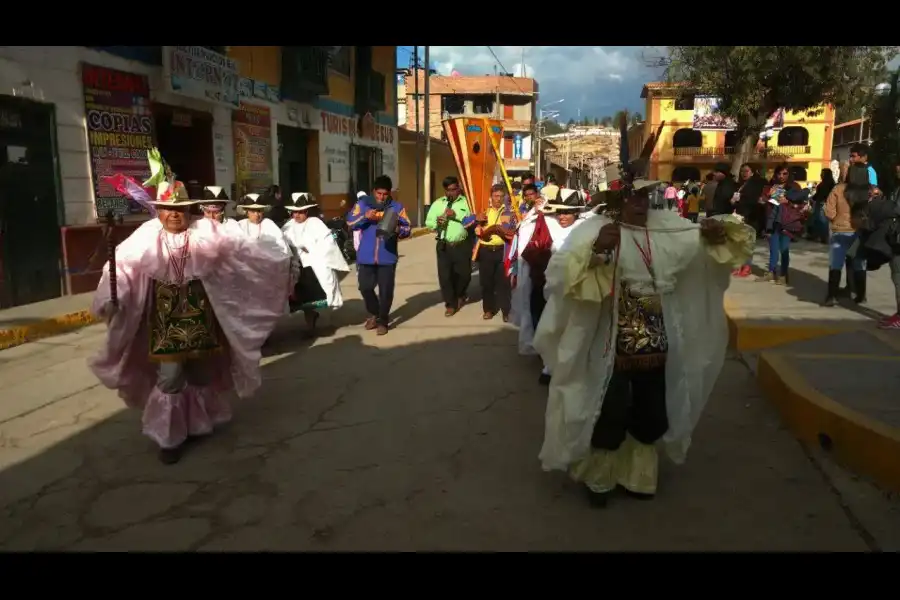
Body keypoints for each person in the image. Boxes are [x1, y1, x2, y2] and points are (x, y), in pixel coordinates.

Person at [533, 174, 755, 507]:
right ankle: (600, 478)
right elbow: (563, 275)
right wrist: (597, 252)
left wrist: (716, 233)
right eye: (632, 198)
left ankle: (638, 476)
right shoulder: (595, 229)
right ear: (616, 201)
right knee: (608, 407)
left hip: (655, 335)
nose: (640, 204)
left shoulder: (667, 225)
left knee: (652, 407)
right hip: (609, 336)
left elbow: (705, 247)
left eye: (644, 197)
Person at [88, 151, 292, 464]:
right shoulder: (144, 237)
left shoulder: (207, 232)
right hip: (164, 323)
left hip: (202, 318)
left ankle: (197, 424)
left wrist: (276, 261)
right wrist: (111, 297)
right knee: (170, 378)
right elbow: (122, 269)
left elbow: (244, 252)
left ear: (189, 211)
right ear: (159, 211)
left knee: (199, 374)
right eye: (168, 209)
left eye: (180, 209)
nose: (174, 215)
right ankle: (169, 438)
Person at [511, 188, 588, 385]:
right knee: (547, 326)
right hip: (544, 286)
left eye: (568, 212)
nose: (563, 216)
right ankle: (548, 364)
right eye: (560, 212)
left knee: (569, 328)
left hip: (573, 289)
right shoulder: (544, 224)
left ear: (576, 213)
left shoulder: (586, 229)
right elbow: (526, 241)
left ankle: (563, 367)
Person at [347, 175, 411, 335]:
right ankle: (375, 313)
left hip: (387, 257)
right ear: (373, 191)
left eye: (385, 194)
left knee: (386, 291)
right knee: (365, 287)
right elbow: (350, 222)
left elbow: (407, 229)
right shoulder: (362, 204)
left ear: (390, 193)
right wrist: (365, 216)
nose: (381, 197)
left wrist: (397, 229)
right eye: (379, 193)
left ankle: (383, 320)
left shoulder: (397, 207)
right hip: (366, 256)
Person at [282, 193, 350, 336]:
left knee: (312, 297)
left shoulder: (315, 223)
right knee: (301, 298)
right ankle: (310, 319)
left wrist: (309, 247)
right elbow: (282, 244)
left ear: (306, 211)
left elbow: (327, 243)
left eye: (300, 212)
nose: (297, 215)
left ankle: (310, 325)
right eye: (294, 212)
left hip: (313, 266)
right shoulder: (288, 226)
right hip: (297, 267)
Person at [425, 176, 475, 317]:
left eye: (454, 190)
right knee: (445, 277)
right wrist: (437, 222)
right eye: (448, 191)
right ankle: (450, 304)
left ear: (459, 188)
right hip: (444, 244)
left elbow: (473, 219)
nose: (451, 193)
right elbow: (429, 223)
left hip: (462, 244)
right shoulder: (438, 203)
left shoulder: (467, 202)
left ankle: (460, 294)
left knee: (464, 274)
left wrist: (456, 215)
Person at [823, 163, 870, 306]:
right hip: (860, 233)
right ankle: (861, 296)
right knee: (859, 265)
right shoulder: (870, 192)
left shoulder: (838, 189)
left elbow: (828, 212)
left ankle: (831, 296)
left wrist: (837, 217)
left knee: (835, 265)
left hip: (840, 232)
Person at [474, 184, 516, 321]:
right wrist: (479, 226)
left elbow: (513, 231)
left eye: (501, 196)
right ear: (491, 197)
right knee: (486, 283)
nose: (498, 199)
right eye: (496, 196)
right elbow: (476, 230)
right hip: (486, 251)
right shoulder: (484, 212)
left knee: (504, 283)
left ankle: (506, 311)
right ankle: (488, 310)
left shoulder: (509, 212)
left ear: (504, 197)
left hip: (502, 251)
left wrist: (502, 231)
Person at [756, 164, 804, 285]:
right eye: (779, 173)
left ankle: (783, 275)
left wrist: (789, 202)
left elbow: (802, 205)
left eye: (785, 174)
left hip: (787, 222)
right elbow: (761, 201)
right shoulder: (770, 187)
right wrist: (767, 196)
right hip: (772, 221)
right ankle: (771, 272)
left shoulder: (795, 187)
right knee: (773, 249)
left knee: (784, 249)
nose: (781, 176)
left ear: (789, 175)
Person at [731, 163, 767, 277]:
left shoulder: (757, 183)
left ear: (752, 172)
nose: (743, 173)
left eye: (746, 171)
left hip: (752, 217)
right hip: (739, 215)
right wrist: (733, 201)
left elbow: (756, 200)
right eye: (742, 171)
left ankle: (747, 266)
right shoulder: (741, 184)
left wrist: (741, 200)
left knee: (748, 243)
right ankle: (738, 265)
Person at [808, 169, 835, 244]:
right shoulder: (824, 183)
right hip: (820, 203)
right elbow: (818, 194)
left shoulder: (829, 184)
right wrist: (812, 198)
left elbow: (823, 195)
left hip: (823, 204)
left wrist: (814, 199)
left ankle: (825, 237)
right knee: (818, 220)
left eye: (822, 173)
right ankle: (819, 236)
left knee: (823, 221)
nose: (821, 175)